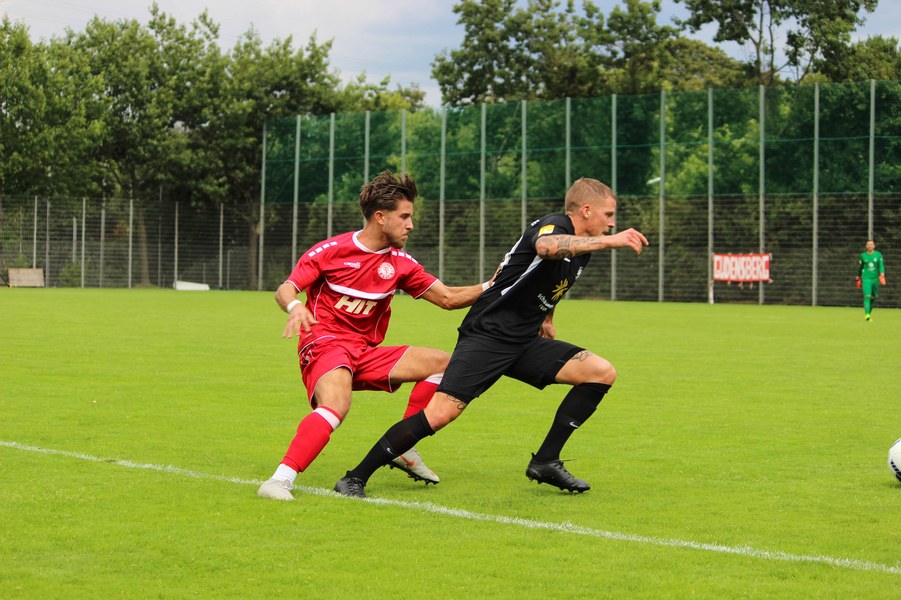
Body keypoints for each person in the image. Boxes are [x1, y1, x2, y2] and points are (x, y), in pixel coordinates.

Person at [333, 177, 649, 499]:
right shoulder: (555, 225)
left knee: (599, 372)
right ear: (586, 210)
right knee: (439, 414)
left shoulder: (582, 249)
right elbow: (546, 248)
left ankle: (545, 461)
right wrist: (612, 242)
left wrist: (547, 318)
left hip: (524, 340)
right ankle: (355, 477)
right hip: (489, 334)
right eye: (608, 215)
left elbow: (550, 282)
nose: (612, 223)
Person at [258, 171, 490, 501]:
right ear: (380, 217)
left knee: (445, 365)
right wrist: (295, 306)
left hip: (364, 351)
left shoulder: (402, 264)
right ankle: (279, 480)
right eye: (404, 217)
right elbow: (286, 288)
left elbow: (449, 298)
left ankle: (404, 446)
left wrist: (494, 284)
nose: (411, 225)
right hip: (324, 342)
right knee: (337, 404)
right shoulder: (330, 251)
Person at [856, 240, 886, 321]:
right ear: (866, 246)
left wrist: (882, 274)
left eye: (871, 244)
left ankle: (868, 314)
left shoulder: (878, 255)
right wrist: (858, 276)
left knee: (873, 297)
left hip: (875, 279)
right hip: (866, 278)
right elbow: (860, 267)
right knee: (867, 296)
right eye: (868, 244)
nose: (869, 246)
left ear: (874, 246)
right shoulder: (863, 255)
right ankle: (867, 315)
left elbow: (881, 265)